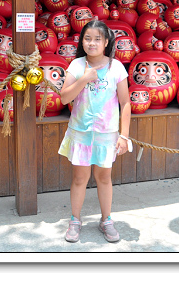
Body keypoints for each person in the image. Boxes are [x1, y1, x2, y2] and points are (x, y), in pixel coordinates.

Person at [58, 19, 132, 243]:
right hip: (80, 132)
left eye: (97, 39)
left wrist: (124, 136)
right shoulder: (77, 66)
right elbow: (64, 98)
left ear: (106, 41)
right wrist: (84, 79)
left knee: (104, 178)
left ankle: (106, 220)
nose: (92, 43)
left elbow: (125, 103)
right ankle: (75, 220)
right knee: (80, 178)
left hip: (106, 133)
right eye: (87, 38)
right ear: (82, 41)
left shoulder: (116, 67)